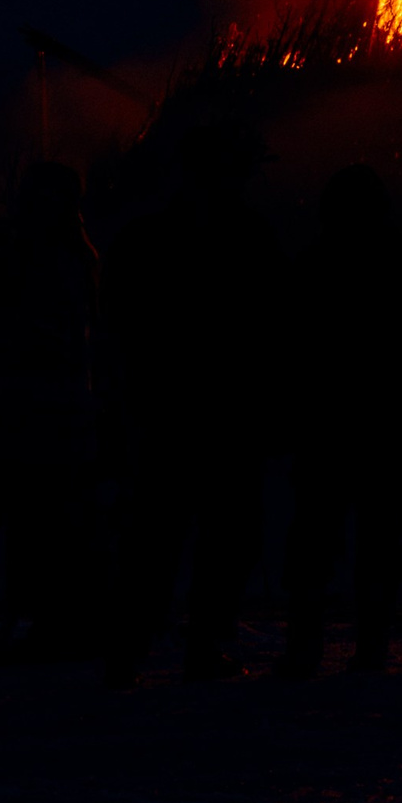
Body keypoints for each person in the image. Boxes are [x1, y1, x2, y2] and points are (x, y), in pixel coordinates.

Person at [100, 117, 285, 683]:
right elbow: (273, 328)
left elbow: (116, 328)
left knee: (161, 531)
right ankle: (192, 644)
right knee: (215, 531)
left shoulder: (144, 239)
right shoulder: (249, 236)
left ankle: (133, 648)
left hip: (169, 407)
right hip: (219, 409)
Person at [279, 165, 402, 679]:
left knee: (315, 536)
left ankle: (306, 648)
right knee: (377, 536)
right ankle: (370, 647)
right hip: (382, 419)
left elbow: (292, 341)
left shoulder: (314, 262)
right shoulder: (400, 261)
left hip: (327, 419)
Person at [0, 160, 100, 661]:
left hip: (31, 405)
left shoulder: (30, 256)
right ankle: (63, 621)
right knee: (59, 516)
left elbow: (11, 320)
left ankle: (48, 624)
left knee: (37, 518)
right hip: (64, 406)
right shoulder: (75, 255)